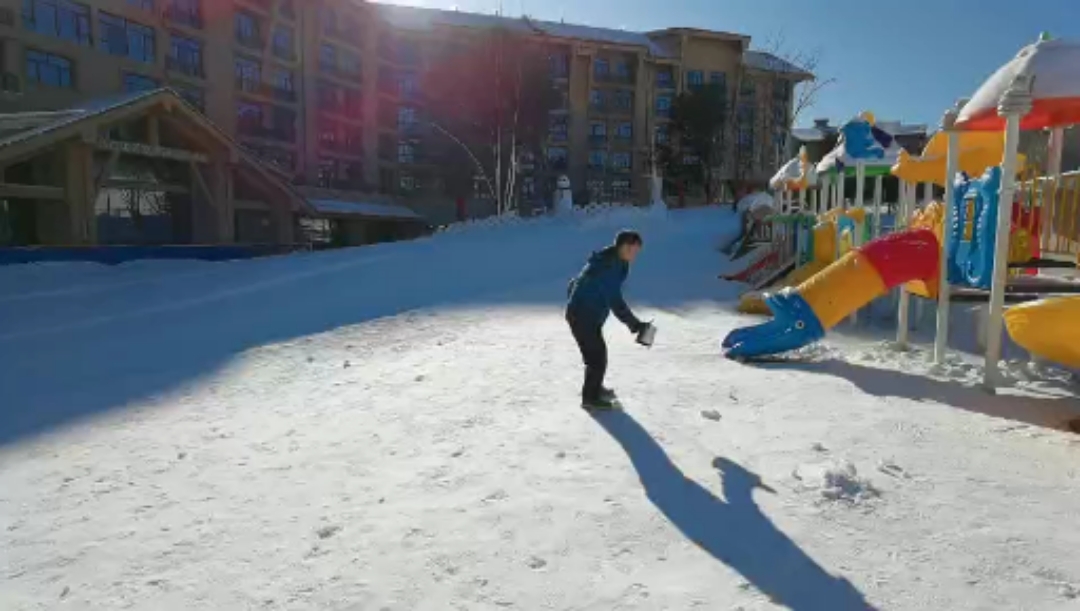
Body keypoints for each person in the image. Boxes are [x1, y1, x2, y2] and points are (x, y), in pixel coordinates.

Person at [566, 230, 649, 410]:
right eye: (634, 250)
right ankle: (590, 398)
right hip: (582, 316)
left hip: (591, 314)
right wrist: (635, 325)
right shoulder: (608, 265)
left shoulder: (617, 260)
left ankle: (595, 389)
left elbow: (576, 281)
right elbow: (615, 301)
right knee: (596, 358)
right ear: (623, 247)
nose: (635, 255)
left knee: (597, 355)